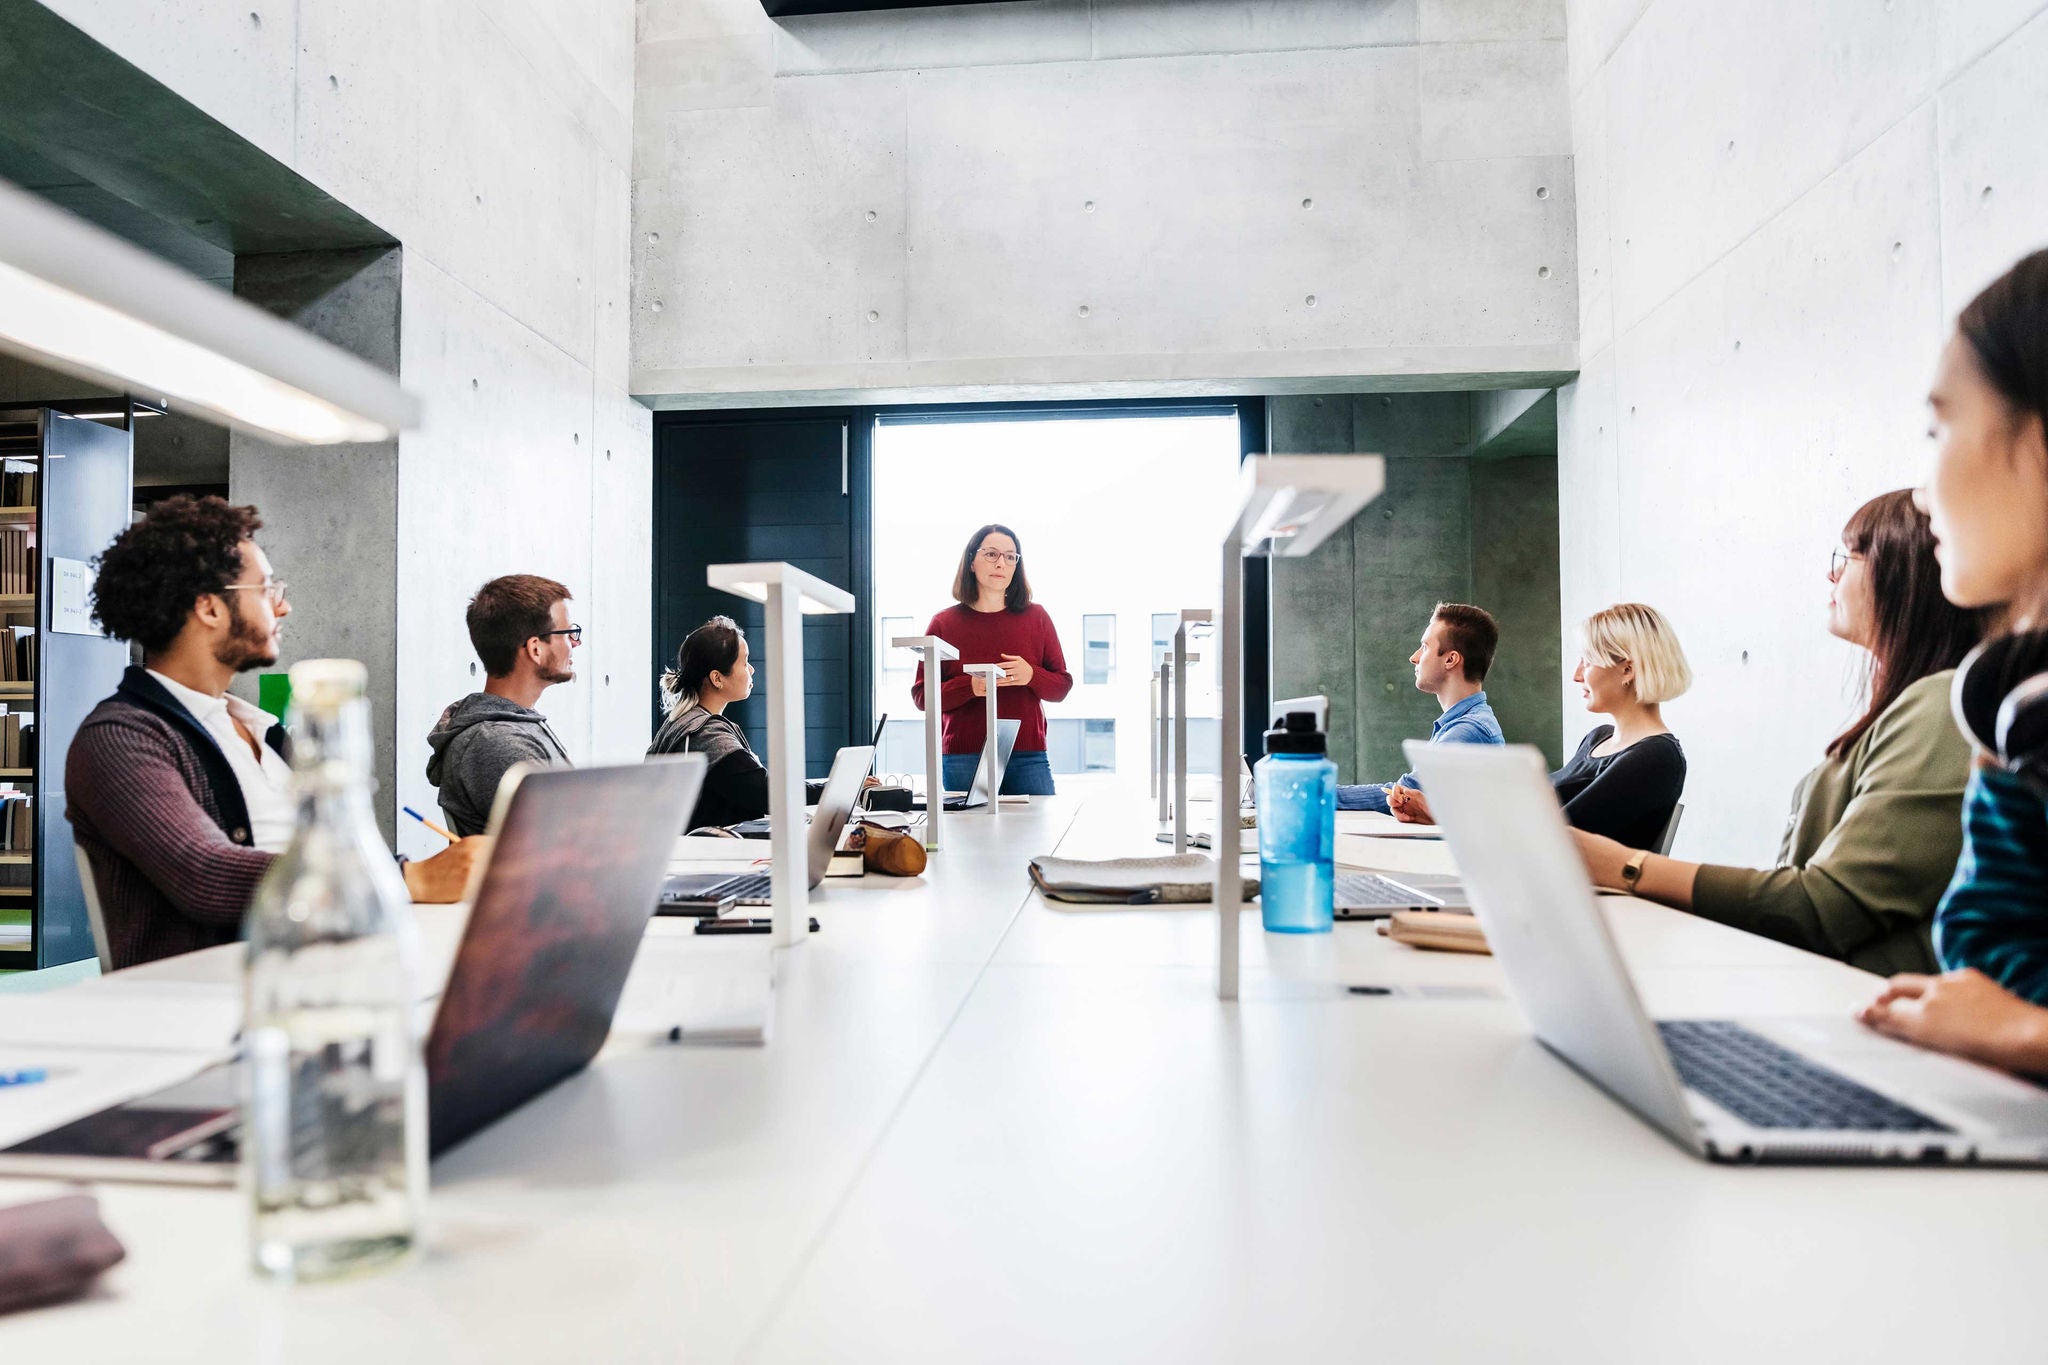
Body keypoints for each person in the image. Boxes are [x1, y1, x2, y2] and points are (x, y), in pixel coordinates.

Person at [66, 496, 484, 970]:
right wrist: (409, 880)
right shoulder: (120, 738)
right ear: (209, 608)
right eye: (266, 589)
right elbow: (204, 872)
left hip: (319, 975)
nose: (283, 607)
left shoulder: (263, 732)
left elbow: (338, 850)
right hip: (205, 1002)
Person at [1573, 490, 1982, 973]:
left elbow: (1825, 908)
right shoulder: (1913, 707)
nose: (1831, 575)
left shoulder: (1940, 705)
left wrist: (1627, 868)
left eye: (1847, 557)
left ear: (1902, 574)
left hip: (1864, 1010)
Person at [1859, 249, 2048, 1067]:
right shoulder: (2012, 694)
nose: (1925, 491)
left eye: (1941, 426)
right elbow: (1985, 938)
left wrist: (2029, 1031)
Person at [1391, 604, 1691, 849]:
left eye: (1587, 661)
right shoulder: (1598, 739)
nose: (1576, 675)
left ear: (1627, 669)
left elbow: (1554, 838)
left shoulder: (1657, 757)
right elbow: (1530, 812)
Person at [911, 524, 1072, 797]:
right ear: (971, 561)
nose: (1001, 563)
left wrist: (1032, 675)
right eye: (991, 554)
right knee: (970, 839)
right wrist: (970, 688)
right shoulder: (944, 623)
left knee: (1037, 837)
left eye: (1010, 557)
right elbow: (922, 697)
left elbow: (1062, 687)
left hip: (1027, 754)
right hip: (965, 756)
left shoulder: (1037, 618)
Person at [426, 574, 579, 837]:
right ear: (535, 649)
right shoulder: (498, 744)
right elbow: (568, 843)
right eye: (568, 633)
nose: (575, 643)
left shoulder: (515, 727)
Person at [647, 615, 830, 827]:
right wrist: (837, 789)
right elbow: (768, 793)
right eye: (745, 662)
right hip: (710, 853)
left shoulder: (681, 722)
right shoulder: (706, 734)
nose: (751, 669)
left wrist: (829, 785)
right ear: (717, 679)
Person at [1334, 603, 1502, 813]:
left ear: (1450, 659)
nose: (1414, 658)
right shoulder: (1466, 723)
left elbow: (1404, 793)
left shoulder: (1469, 730)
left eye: (1425, 646)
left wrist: (1317, 793)